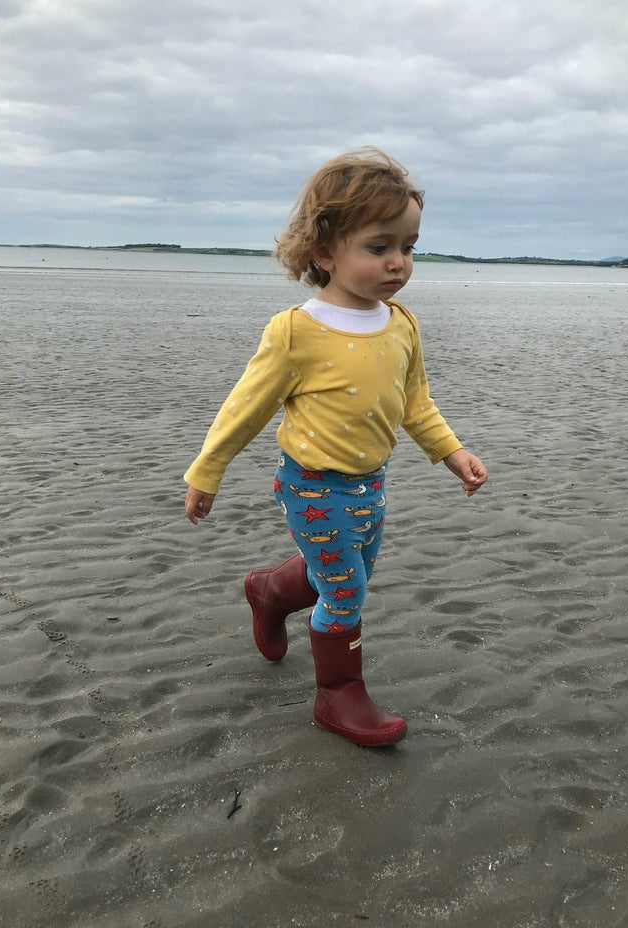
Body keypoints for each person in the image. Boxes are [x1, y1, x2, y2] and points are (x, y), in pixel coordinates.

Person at [183, 147, 487, 747]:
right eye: (379, 247)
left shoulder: (401, 324)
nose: (398, 262)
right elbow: (247, 407)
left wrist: (453, 454)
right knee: (346, 592)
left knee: (349, 575)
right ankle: (338, 695)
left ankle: (269, 592)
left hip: (371, 484)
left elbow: (414, 404)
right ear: (325, 251)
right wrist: (208, 470)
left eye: (409, 247)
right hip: (313, 486)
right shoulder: (297, 331)